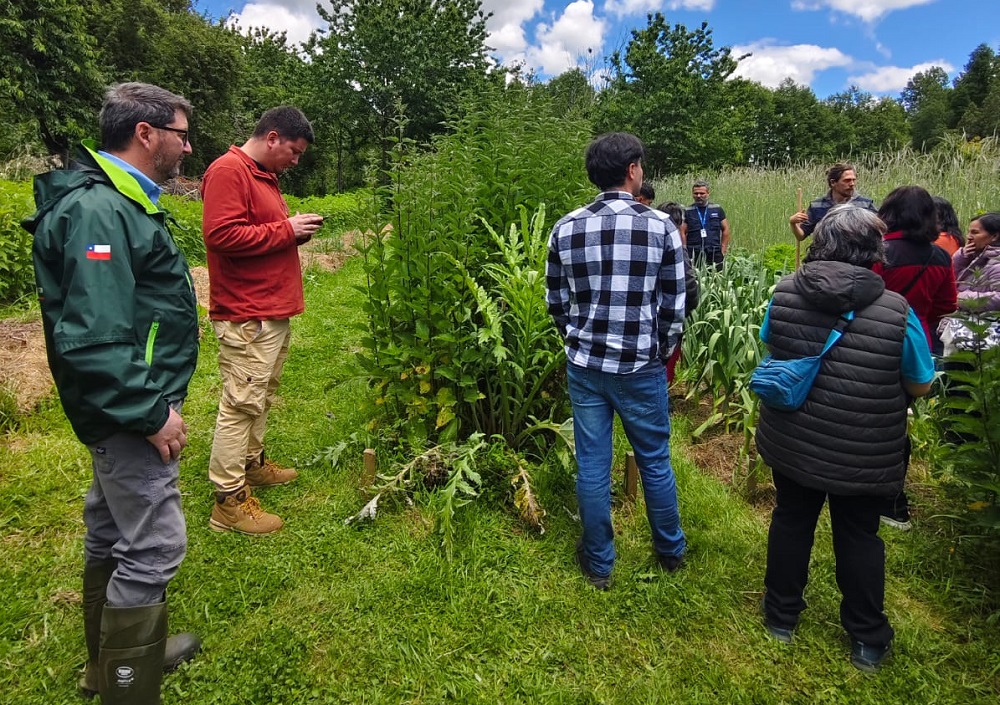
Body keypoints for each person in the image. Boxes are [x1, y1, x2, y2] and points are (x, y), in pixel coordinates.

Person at [23, 82, 201, 704]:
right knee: (154, 544)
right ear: (146, 134)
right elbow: (97, 336)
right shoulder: (101, 211)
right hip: (128, 407)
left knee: (109, 528)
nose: (186, 147)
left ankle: (108, 665)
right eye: (181, 134)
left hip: (117, 404)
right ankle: (128, 688)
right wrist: (150, 413)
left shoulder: (122, 202)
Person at [757, 205, 934, 673]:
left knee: (792, 520)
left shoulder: (785, 290)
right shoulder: (897, 311)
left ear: (820, 243)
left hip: (793, 437)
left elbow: (770, 339)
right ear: (873, 252)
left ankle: (781, 617)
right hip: (863, 447)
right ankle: (866, 638)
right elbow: (920, 382)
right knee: (858, 535)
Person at [546, 132, 686, 590]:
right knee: (654, 460)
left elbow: (556, 302)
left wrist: (577, 339)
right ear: (632, 170)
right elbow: (674, 304)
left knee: (592, 463)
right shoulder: (661, 226)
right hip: (640, 365)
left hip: (586, 366)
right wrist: (660, 351)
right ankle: (670, 551)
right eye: (641, 166)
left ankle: (599, 562)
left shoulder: (565, 227)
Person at [202, 107, 323, 535]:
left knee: (260, 395)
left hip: (270, 311)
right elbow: (220, 235)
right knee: (240, 404)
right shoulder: (228, 171)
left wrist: (291, 229)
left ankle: (252, 465)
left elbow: (259, 232)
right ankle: (228, 501)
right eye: (293, 151)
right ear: (272, 138)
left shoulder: (262, 177)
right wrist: (286, 231)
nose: (296, 161)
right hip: (247, 313)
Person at [872, 186, 956, 530]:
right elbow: (946, 305)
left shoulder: (881, 252)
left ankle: (866, 492)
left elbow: (866, 293)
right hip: (915, 343)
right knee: (896, 421)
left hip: (874, 339)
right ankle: (895, 504)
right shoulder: (940, 257)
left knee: (867, 417)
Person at [657, 201, 701, 384]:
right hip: (670, 317)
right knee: (667, 359)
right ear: (680, 224)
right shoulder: (676, 247)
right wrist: (685, 311)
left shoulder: (649, 241)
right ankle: (664, 396)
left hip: (648, 317)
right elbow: (690, 285)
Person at [789, 163, 876, 241]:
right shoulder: (817, 206)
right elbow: (801, 236)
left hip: (857, 256)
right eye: (847, 180)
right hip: (825, 255)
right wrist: (793, 223)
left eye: (854, 180)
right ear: (833, 182)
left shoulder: (865, 205)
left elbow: (880, 230)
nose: (852, 184)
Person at [681, 179, 730, 268]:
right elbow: (682, 232)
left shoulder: (717, 209)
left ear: (708, 193)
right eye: (696, 193)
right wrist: (684, 251)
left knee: (716, 279)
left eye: (702, 193)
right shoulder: (687, 211)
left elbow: (726, 229)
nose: (699, 196)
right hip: (694, 253)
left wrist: (723, 250)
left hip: (714, 252)